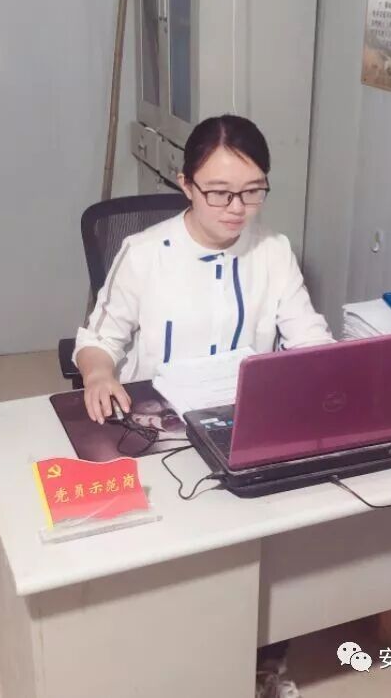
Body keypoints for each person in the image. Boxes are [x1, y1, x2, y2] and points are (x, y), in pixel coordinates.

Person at [74, 114, 332, 698]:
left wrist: (332, 372)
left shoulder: (273, 251)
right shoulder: (144, 253)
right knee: (174, 562)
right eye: (219, 192)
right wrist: (98, 373)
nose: (237, 208)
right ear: (186, 184)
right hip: (159, 431)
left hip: (248, 426)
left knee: (277, 545)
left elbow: (309, 338)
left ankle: (263, 664)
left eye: (252, 191)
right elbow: (98, 339)